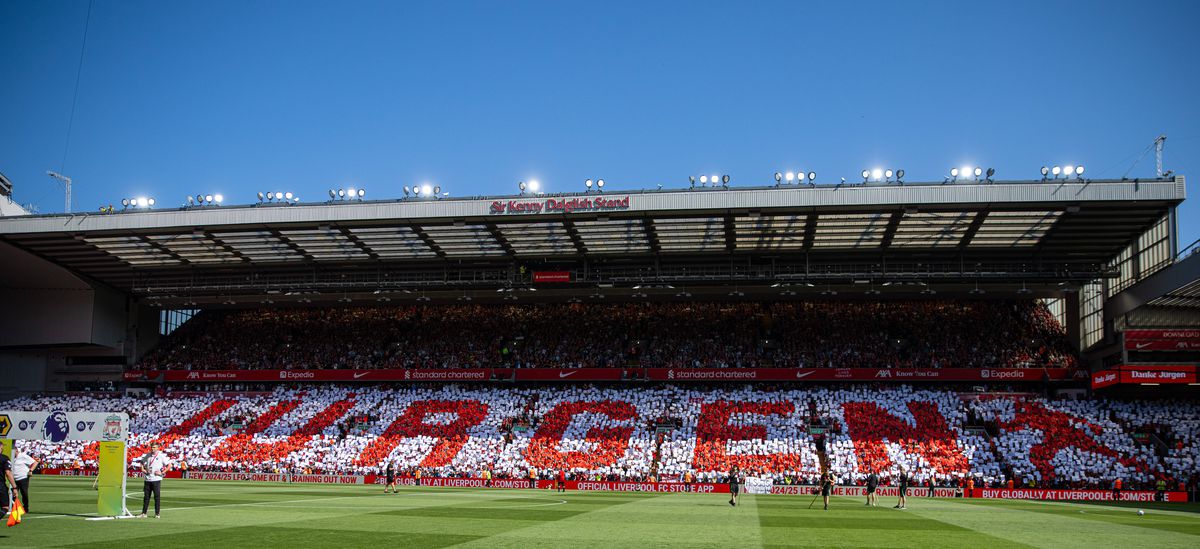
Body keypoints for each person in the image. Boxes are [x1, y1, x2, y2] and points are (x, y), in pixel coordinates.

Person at [138, 442, 171, 518]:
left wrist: (162, 472)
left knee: (157, 497)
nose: (152, 449)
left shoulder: (161, 456)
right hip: (147, 479)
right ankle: (144, 513)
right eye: (152, 447)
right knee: (146, 497)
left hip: (156, 479)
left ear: (158, 448)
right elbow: (142, 462)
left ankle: (157, 513)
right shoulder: (148, 455)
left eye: (154, 447)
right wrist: (143, 469)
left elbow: (169, 465)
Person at [11, 447, 38, 513]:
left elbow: (35, 462)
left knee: (24, 493)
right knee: (13, 494)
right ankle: (14, 508)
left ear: (16, 451)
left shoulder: (23, 456)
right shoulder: (11, 457)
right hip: (14, 479)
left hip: (23, 478)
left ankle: (25, 507)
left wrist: (31, 470)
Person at [0, 450, 14, 517]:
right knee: (5, 507)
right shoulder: (4, 458)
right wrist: (14, 487)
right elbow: (8, 473)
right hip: (0, 485)